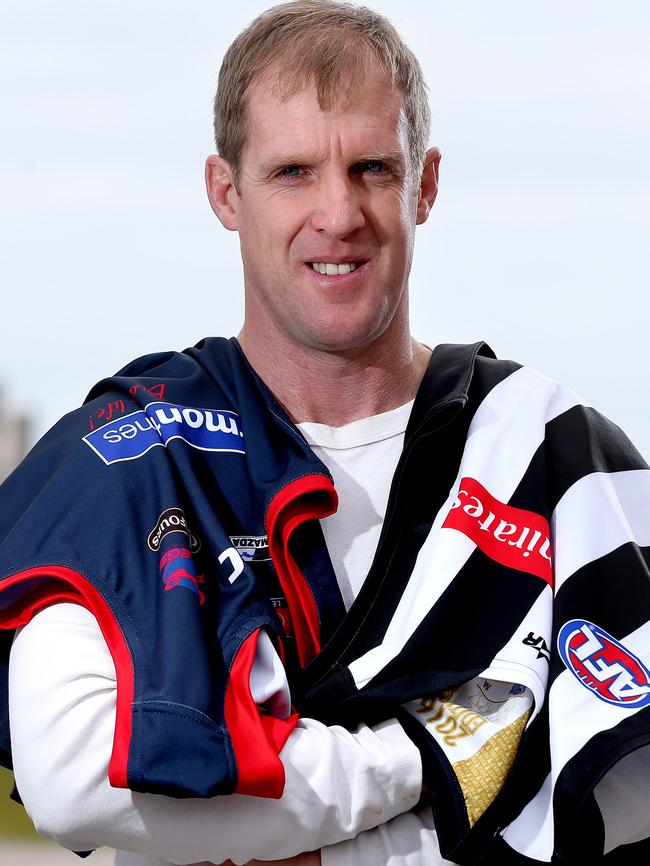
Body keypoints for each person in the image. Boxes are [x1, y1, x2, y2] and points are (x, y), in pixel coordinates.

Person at [2, 2, 650, 865]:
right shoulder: (137, 452)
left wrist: (335, 855)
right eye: (294, 172)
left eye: (374, 168)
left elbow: (633, 774)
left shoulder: (552, 453)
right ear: (226, 192)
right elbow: (79, 781)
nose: (338, 214)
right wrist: (422, 760)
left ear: (425, 184)